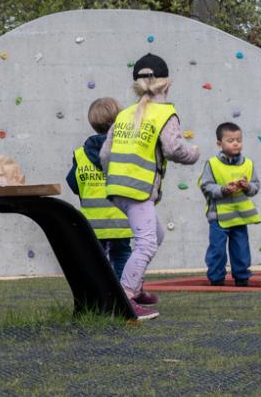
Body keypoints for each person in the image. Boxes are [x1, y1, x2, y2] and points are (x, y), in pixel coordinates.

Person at [100, 53, 200, 321]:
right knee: (146, 243)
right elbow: (173, 149)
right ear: (167, 84)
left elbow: (105, 155)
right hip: (139, 189)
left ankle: (135, 285)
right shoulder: (166, 114)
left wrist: (115, 176)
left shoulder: (124, 114)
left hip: (117, 188)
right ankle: (125, 297)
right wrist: (194, 153)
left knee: (156, 234)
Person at [66, 97, 132, 280]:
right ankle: (124, 293)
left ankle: (100, 293)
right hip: (120, 220)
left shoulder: (81, 154)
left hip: (92, 223)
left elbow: (73, 182)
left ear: (93, 123)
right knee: (122, 256)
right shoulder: (127, 150)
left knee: (95, 262)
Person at [199, 122, 261, 287]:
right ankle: (216, 279)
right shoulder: (212, 163)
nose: (236, 143)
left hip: (240, 216)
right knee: (217, 250)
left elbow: (256, 186)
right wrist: (224, 189)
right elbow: (205, 186)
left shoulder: (248, 163)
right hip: (218, 217)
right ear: (219, 144)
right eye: (230, 140)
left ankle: (242, 277)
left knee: (241, 249)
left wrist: (247, 186)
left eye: (239, 140)